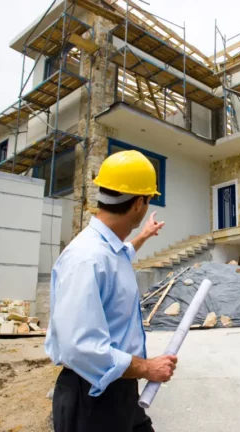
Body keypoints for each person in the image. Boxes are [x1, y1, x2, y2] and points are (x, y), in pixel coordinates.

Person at [45, 150, 178, 432]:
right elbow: (80, 347)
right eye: (149, 199)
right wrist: (147, 368)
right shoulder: (88, 258)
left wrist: (143, 235)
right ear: (140, 203)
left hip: (117, 389)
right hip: (92, 400)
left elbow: (119, 258)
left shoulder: (106, 251)